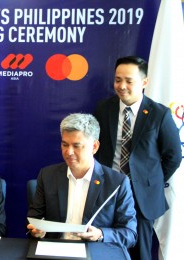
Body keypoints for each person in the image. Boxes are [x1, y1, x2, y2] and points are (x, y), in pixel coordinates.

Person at [94, 56, 182, 259]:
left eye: (129, 81)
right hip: (108, 190)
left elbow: (173, 156)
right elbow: (96, 149)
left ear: (144, 82)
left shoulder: (159, 114)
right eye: (117, 80)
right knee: (104, 247)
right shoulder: (103, 109)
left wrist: (150, 180)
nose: (121, 86)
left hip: (142, 197)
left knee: (141, 252)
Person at [27, 113, 137, 249]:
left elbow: (130, 234)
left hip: (94, 252)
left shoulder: (117, 183)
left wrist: (101, 234)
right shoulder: (47, 175)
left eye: (77, 146)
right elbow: (33, 220)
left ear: (94, 147)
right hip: (54, 250)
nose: (69, 152)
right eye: (64, 145)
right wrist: (36, 231)